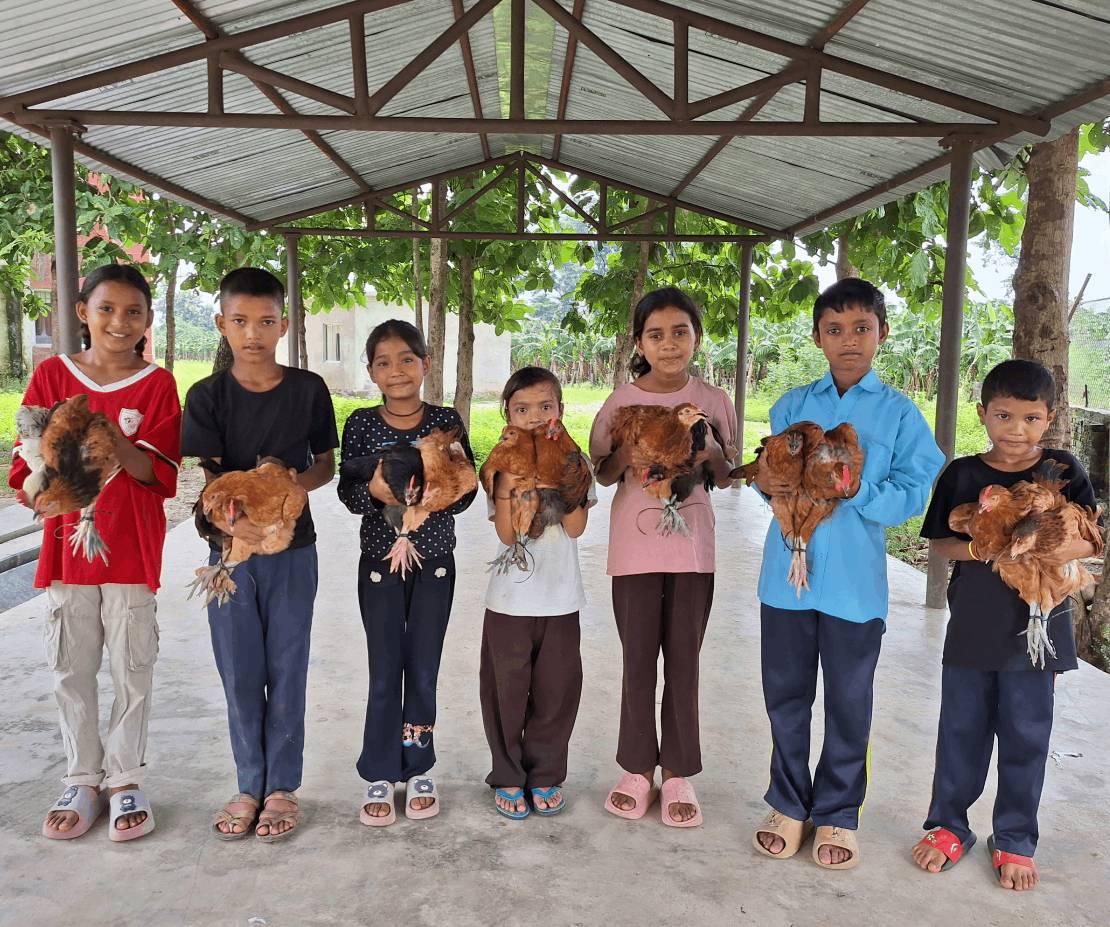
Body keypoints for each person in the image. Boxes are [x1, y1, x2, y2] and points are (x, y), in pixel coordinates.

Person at [752, 277, 943, 869]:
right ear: (818, 338)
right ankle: (788, 801)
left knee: (848, 700)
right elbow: (771, 482)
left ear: (882, 334)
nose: (849, 340)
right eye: (835, 330)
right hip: (785, 575)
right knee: (785, 695)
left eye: (862, 328)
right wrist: (776, 486)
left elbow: (916, 491)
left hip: (857, 587)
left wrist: (858, 492)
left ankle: (837, 811)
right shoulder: (792, 406)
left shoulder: (899, 413)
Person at [912, 359, 1099, 890]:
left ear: (1050, 418)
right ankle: (949, 824)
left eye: (1031, 418)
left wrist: (1041, 541)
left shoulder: (1064, 470)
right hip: (974, 623)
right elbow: (940, 544)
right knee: (961, 729)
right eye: (1004, 416)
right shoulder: (964, 475)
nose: (1017, 430)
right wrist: (987, 543)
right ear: (983, 414)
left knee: (1026, 732)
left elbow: (1088, 536)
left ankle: (1015, 837)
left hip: (1039, 624)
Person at [9, 263, 181, 842]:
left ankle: (125, 778)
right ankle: (82, 778)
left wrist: (113, 438)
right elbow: (26, 460)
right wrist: (45, 484)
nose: (119, 321)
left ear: (148, 321)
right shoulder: (52, 377)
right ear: (82, 312)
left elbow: (160, 474)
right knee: (71, 667)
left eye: (133, 311)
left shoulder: (157, 384)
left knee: (133, 667)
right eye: (106, 308)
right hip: (67, 552)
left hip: (130, 548)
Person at [181, 267, 337, 842]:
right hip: (227, 553)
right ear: (222, 324)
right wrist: (237, 529)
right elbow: (212, 478)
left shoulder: (308, 390)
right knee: (239, 668)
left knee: (287, 665)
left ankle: (281, 789)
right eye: (240, 321)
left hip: (294, 549)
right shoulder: (207, 396)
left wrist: (293, 489)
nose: (253, 334)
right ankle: (249, 783)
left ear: (284, 324)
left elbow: (325, 463)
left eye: (266, 321)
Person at [589, 286, 736, 828]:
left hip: (693, 551)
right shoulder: (620, 403)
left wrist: (706, 443)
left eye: (680, 332)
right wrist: (635, 445)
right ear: (640, 343)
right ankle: (634, 769)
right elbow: (601, 471)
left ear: (696, 337)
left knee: (684, 661)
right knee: (636, 663)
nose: (669, 344)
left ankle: (677, 772)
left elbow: (724, 476)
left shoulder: (714, 400)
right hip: (633, 551)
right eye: (656, 334)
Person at [337, 319, 476, 826]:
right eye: (383, 362)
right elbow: (347, 492)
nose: (396, 371)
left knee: (423, 666)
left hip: (435, 562)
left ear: (425, 363)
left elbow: (465, 490)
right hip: (379, 563)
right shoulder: (360, 424)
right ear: (371, 371)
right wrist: (375, 494)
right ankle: (379, 767)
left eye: (406, 360)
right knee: (384, 666)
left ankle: (418, 764)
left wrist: (431, 499)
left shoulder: (445, 421)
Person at [481, 366, 594, 819]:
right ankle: (507, 774)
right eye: (521, 408)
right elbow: (509, 538)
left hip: (562, 598)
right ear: (507, 414)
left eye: (544, 407)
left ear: (560, 411)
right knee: (506, 692)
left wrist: (562, 485)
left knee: (557, 691)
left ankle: (546, 772)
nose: (533, 417)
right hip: (509, 602)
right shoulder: (500, 464)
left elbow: (577, 527)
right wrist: (509, 489)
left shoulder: (573, 460)